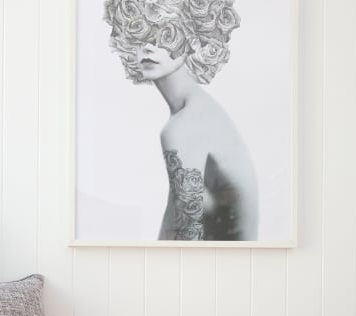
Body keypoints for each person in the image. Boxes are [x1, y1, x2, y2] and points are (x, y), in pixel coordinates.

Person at [105, 0, 258, 241]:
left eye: (166, 32)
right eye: (140, 31)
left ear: (194, 38)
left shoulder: (183, 126)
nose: (148, 46)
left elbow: (186, 235)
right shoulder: (199, 109)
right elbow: (180, 214)